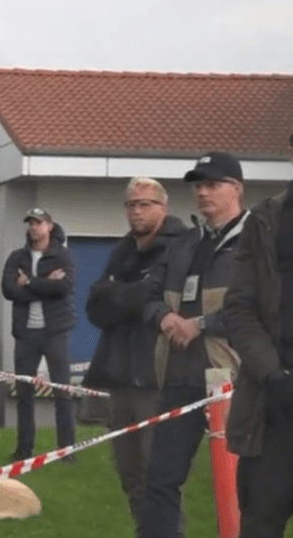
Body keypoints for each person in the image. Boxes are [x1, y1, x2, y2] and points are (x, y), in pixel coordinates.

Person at [139, 152, 249, 538]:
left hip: (237, 381)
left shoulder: (260, 242)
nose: (202, 193)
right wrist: (164, 318)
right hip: (179, 377)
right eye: (197, 186)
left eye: (211, 184)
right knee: (160, 480)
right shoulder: (184, 242)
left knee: (243, 485)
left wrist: (202, 324)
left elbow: (269, 309)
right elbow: (149, 293)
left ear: (235, 189)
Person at [83, 177, 187, 533]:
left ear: (163, 207)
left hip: (156, 376)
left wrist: (117, 292)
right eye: (131, 204)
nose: (137, 211)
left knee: (156, 474)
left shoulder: (179, 246)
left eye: (145, 204)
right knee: (129, 475)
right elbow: (94, 308)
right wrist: (128, 294)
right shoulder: (123, 250)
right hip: (118, 376)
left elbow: (150, 296)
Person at [223, 132, 293, 538]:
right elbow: (239, 307)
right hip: (272, 407)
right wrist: (273, 375)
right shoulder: (266, 221)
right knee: (261, 523)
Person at [1, 207, 77, 463]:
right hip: (26, 333)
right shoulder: (17, 257)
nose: (34, 227)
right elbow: (9, 290)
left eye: (38, 222)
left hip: (55, 332)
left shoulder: (61, 256)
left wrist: (31, 282)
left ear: (49, 226)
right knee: (24, 393)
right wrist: (46, 283)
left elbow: (65, 288)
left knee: (62, 392)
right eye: (31, 223)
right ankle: (24, 451)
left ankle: (66, 451)